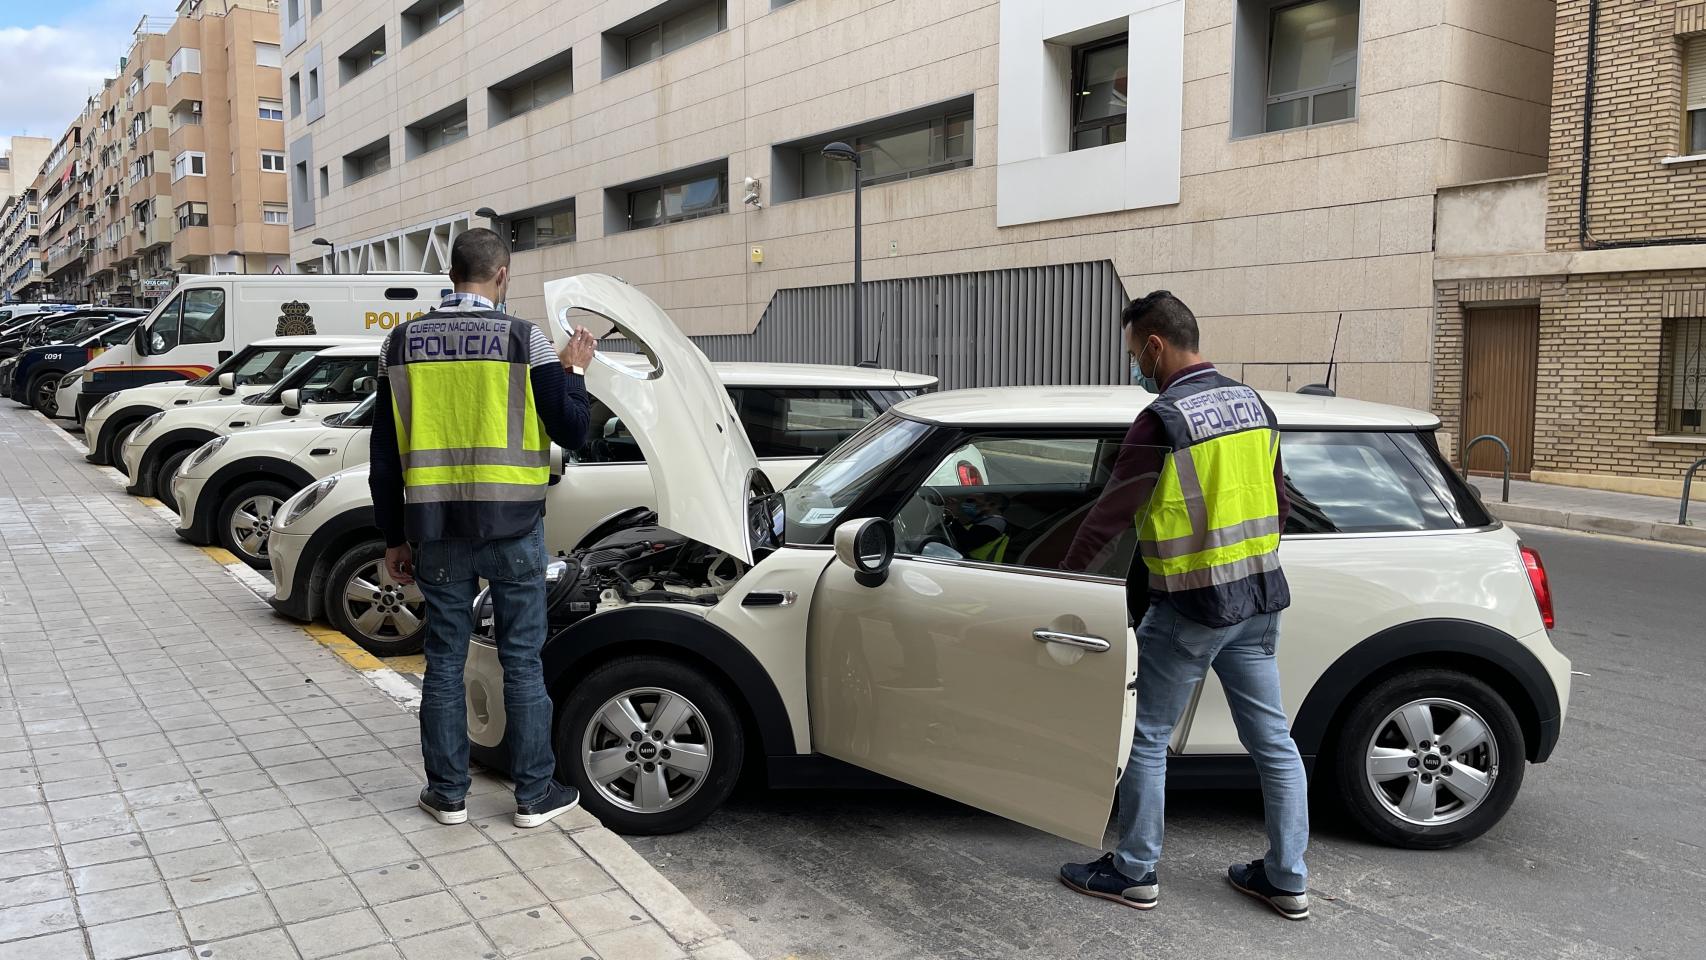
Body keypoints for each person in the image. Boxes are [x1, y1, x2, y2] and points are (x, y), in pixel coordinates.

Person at [1057, 290, 1310, 921]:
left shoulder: (1162, 419)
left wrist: (1060, 581)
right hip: (1257, 600)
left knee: (1147, 737)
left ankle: (1134, 871)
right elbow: (1277, 505)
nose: (1137, 369)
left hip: (1189, 608)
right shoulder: (1256, 405)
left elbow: (1108, 516)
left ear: (1154, 346)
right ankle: (1286, 879)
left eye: (1135, 356)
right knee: (1275, 744)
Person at [369, 227, 598, 830]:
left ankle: (447, 796)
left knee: (444, 660)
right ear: (502, 275)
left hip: (436, 526)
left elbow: (385, 458)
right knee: (522, 661)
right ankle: (533, 796)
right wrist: (575, 372)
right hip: (514, 525)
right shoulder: (530, 342)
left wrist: (393, 537)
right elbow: (574, 431)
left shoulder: (399, 345)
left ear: (451, 276)